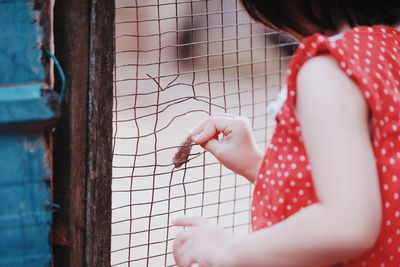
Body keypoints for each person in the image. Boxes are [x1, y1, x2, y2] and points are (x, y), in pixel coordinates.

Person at [172, 1, 400, 266]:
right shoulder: (388, 51)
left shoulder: (329, 70)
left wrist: (229, 249)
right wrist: (256, 165)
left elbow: (347, 223)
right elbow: (375, 186)